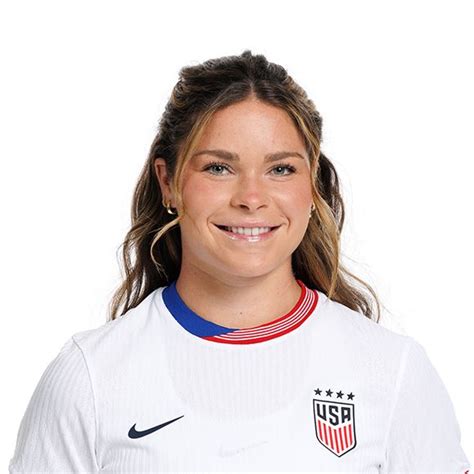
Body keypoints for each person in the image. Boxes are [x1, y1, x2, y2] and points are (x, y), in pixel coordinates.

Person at [9, 50, 470, 473]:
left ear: (311, 185)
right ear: (169, 182)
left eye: (281, 169)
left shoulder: (394, 372)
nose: (251, 197)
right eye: (218, 167)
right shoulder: (89, 377)